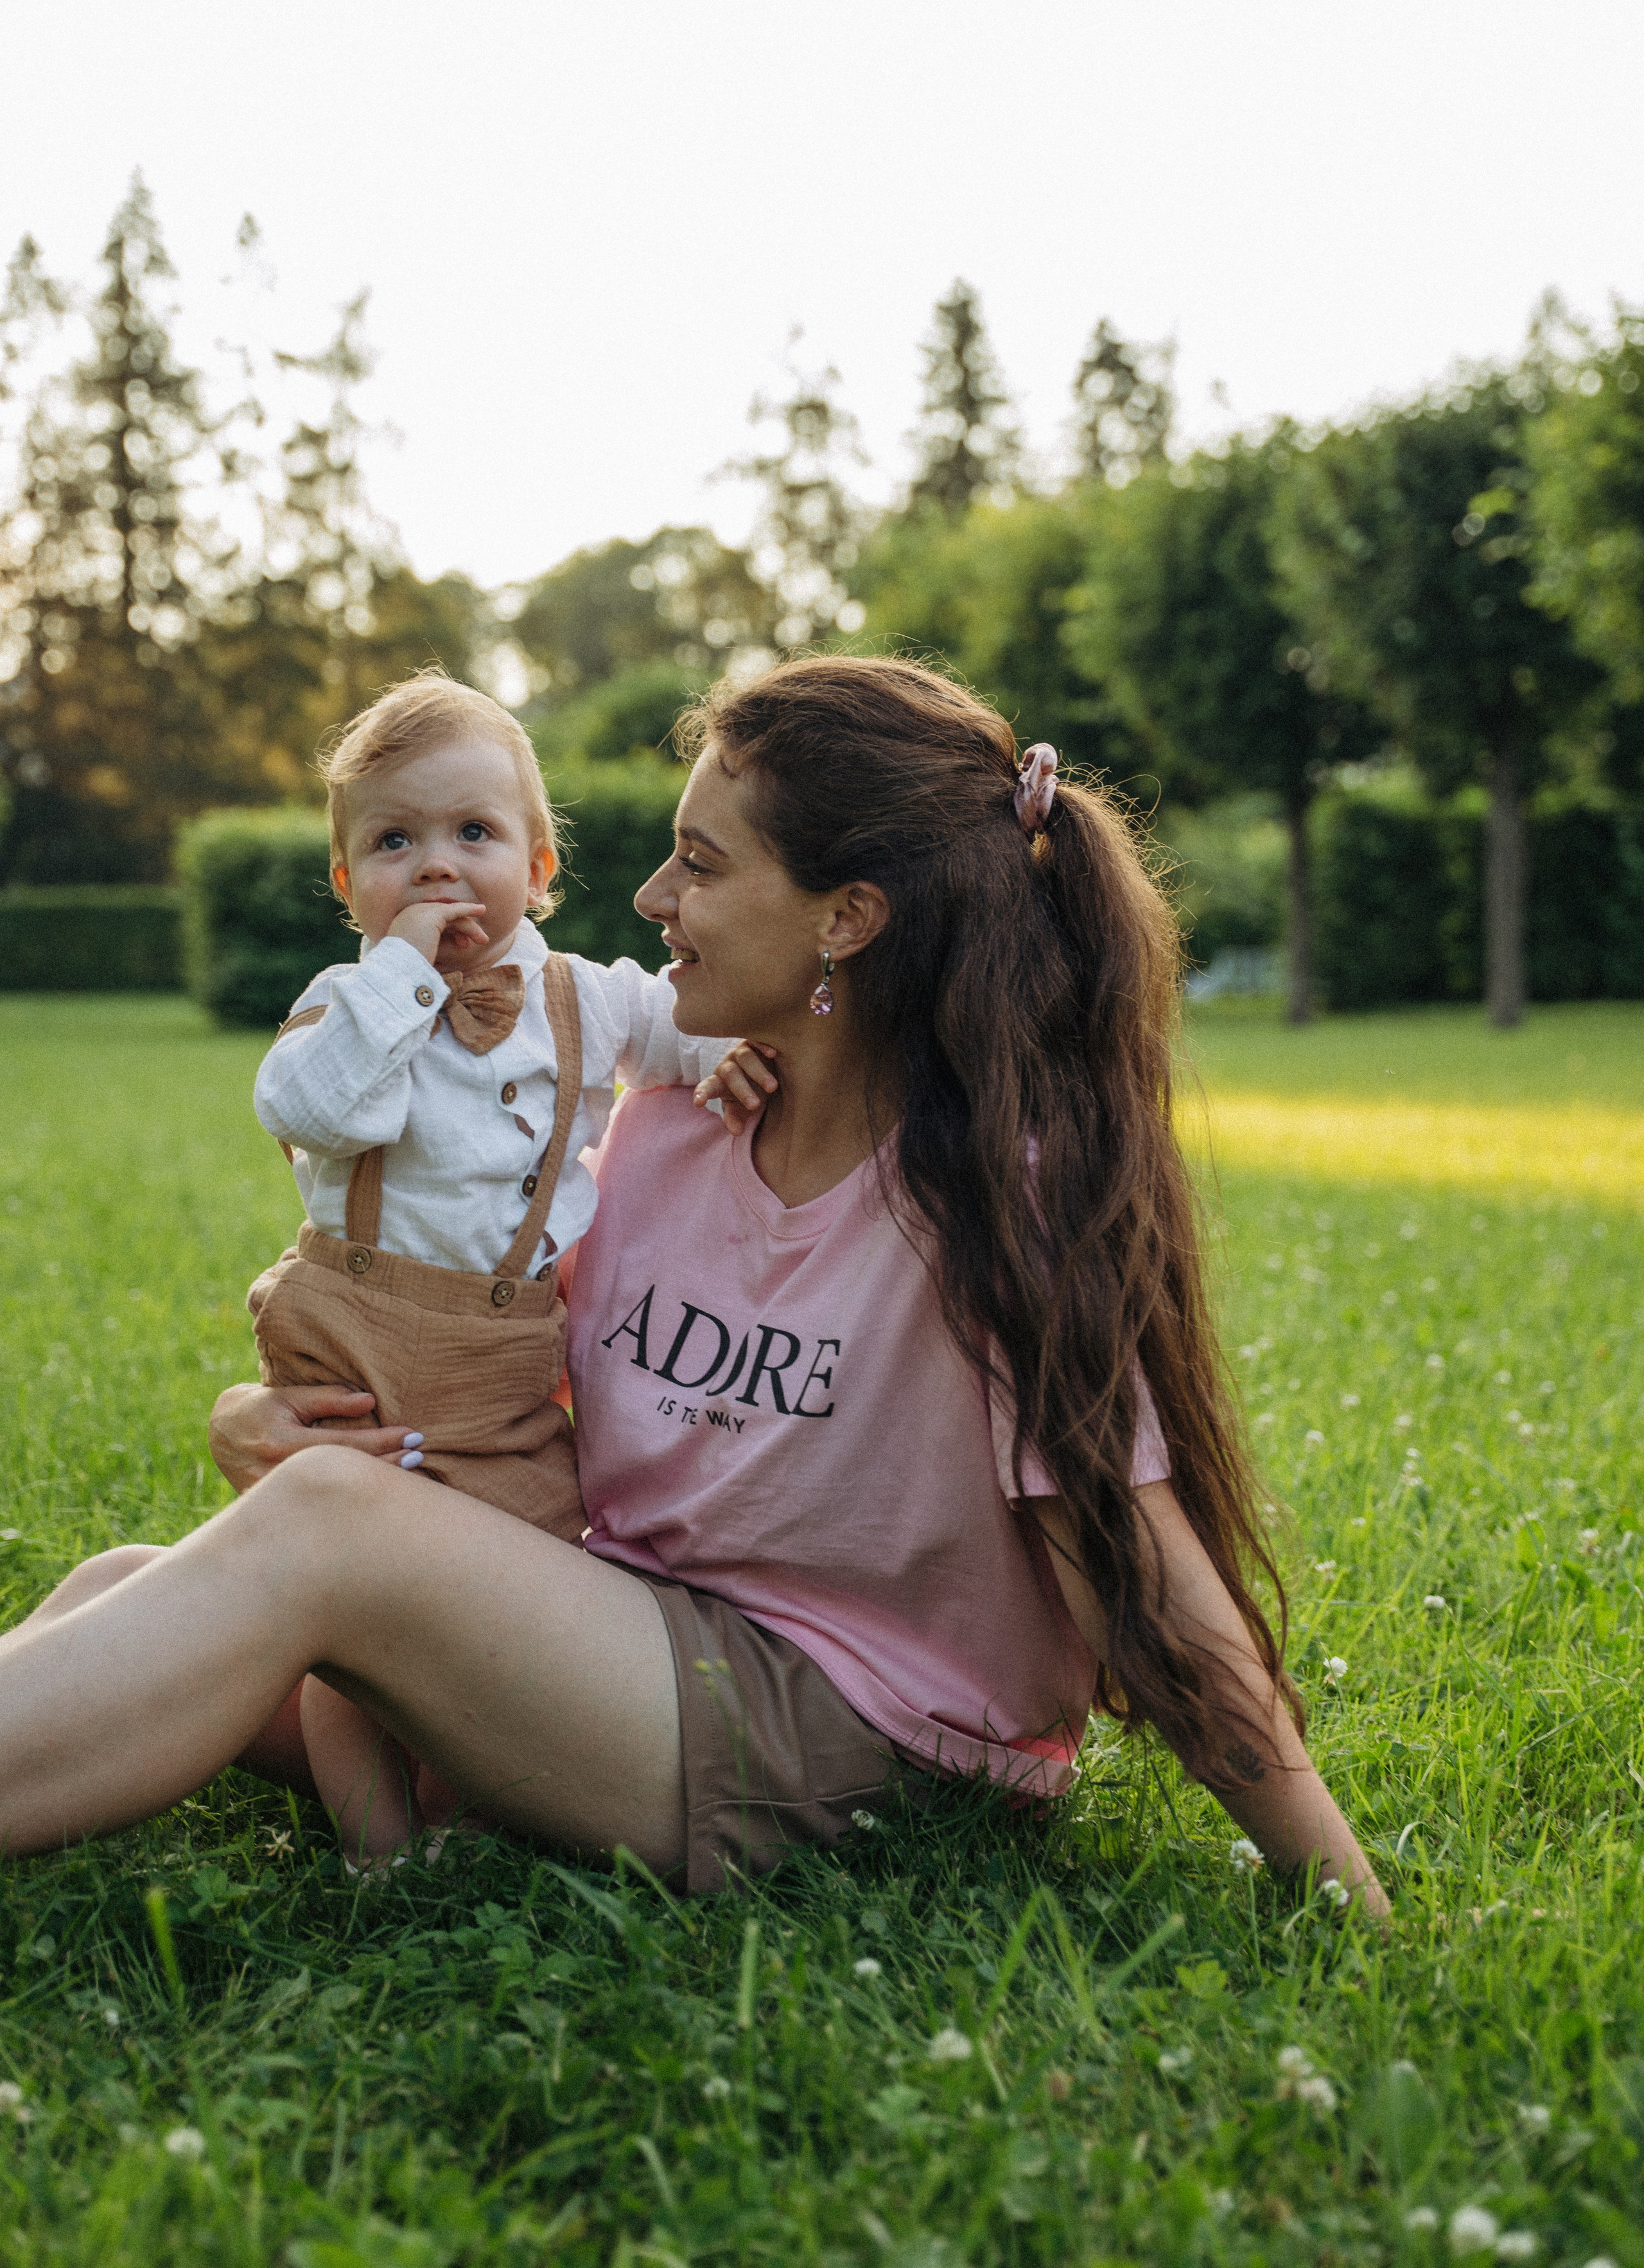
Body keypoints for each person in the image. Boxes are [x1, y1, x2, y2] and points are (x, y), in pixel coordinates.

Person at [0, 655, 1388, 1921]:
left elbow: (1133, 1556)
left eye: (698, 865)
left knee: (315, 1541)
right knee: (131, 1579)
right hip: (622, 1648)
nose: (651, 900)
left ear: (847, 917)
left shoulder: (985, 1198)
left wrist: (1335, 1886)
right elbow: (507, 1396)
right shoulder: (662, 1130)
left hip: (854, 1736)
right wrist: (277, 1421)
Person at [247, 672, 767, 1860]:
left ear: (539, 869)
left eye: (472, 834)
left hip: (506, 1363)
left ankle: (473, 1790)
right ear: (347, 889)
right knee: (354, 1615)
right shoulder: (348, 1004)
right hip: (361, 1345)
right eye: (394, 842)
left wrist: (730, 1054)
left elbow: (691, 1024)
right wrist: (404, 979)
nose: (436, 866)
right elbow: (314, 1109)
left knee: (534, 1565)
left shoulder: (583, 996)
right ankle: (383, 1852)